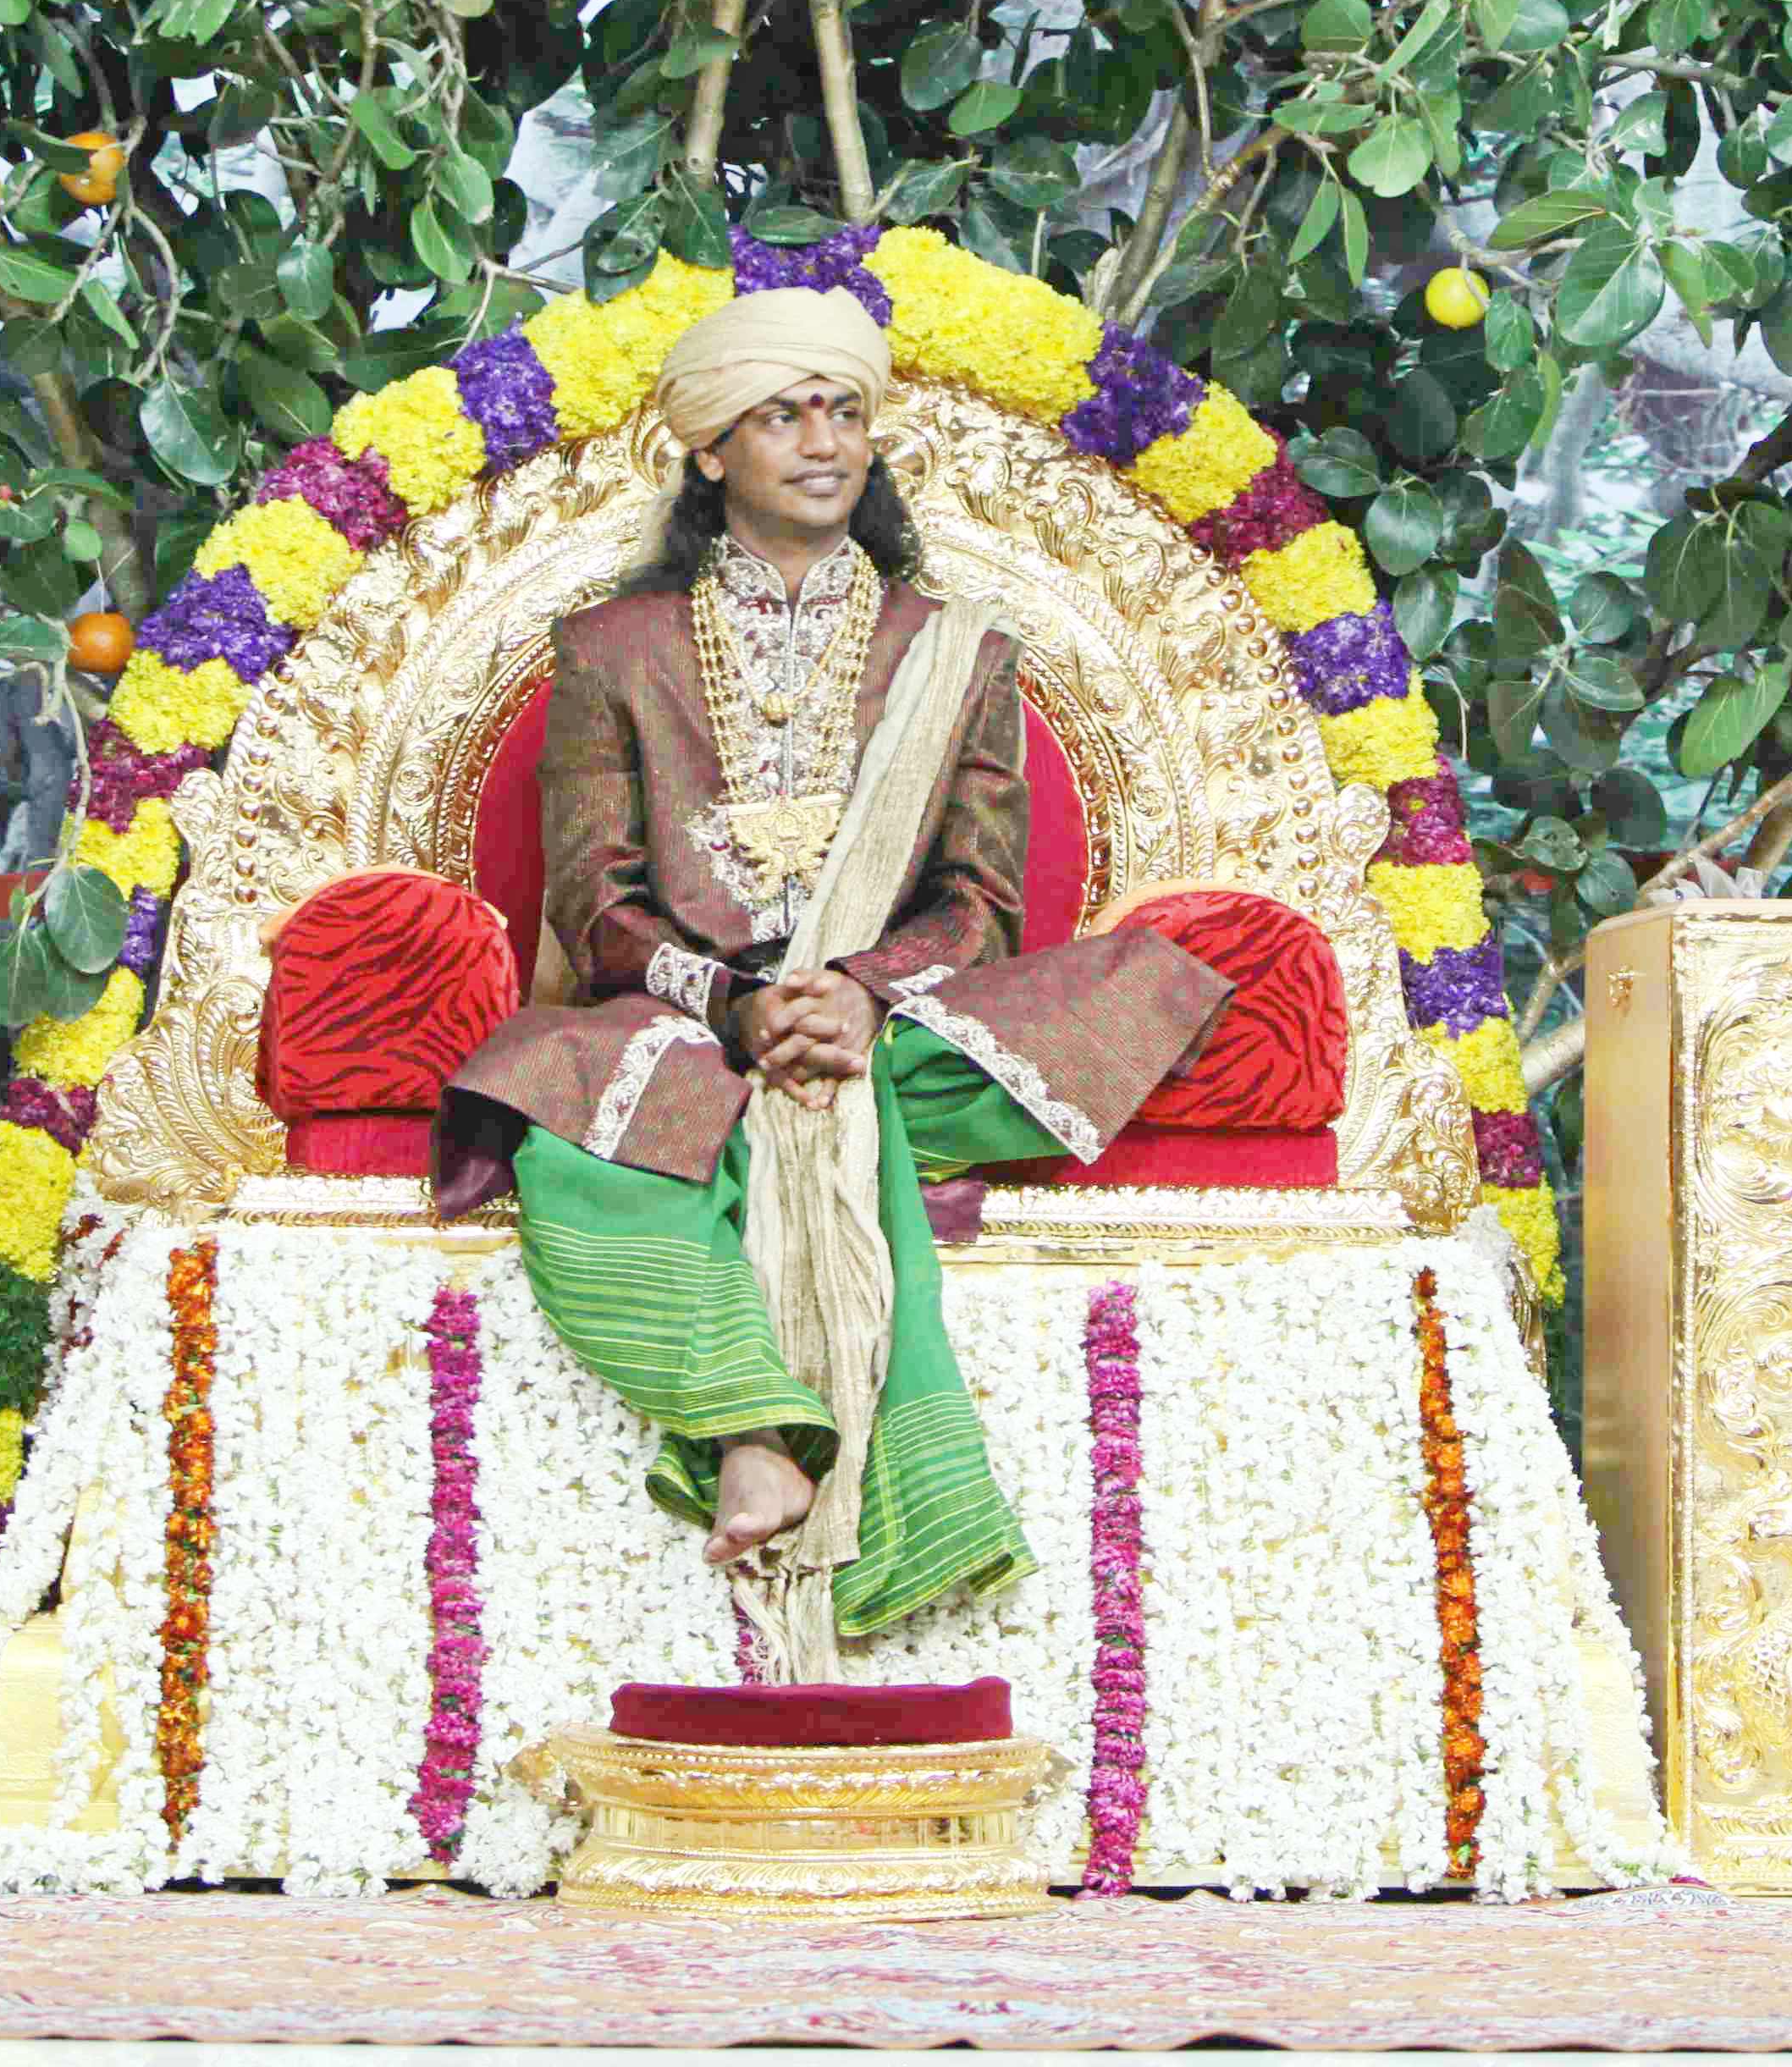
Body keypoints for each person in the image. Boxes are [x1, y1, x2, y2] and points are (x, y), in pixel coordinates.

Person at [434, 289, 1228, 1652]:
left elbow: (980, 899)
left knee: (1143, 988)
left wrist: (859, 994)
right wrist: (741, 1008)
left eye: (845, 411)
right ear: (709, 450)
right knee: (559, 1100)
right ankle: (756, 1430)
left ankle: (788, 1115)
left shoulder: (958, 649)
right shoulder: (613, 650)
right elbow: (595, 899)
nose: (823, 441)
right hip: (693, 1016)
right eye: (783, 414)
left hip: (900, 1018)